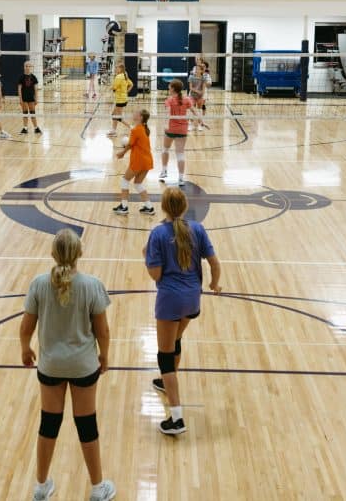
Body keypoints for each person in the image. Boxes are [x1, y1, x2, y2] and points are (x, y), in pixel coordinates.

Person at [20, 230, 116, 501]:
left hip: (50, 367)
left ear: (52, 254)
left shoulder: (39, 284)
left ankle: (41, 487)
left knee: (49, 424)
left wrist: (25, 349)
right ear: (79, 254)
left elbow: (26, 326)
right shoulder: (92, 285)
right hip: (83, 367)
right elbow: (103, 330)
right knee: (87, 425)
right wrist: (105, 355)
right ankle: (98, 489)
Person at [145, 187, 222, 435]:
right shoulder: (197, 229)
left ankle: (176, 418)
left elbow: (155, 274)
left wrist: (147, 257)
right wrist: (214, 283)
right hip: (192, 299)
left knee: (164, 356)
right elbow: (214, 262)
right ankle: (168, 383)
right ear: (185, 206)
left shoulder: (157, 234)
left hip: (170, 299)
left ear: (163, 206)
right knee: (176, 339)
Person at [113, 109, 154, 215]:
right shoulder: (143, 128)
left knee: (125, 181)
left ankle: (124, 207)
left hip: (139, 161)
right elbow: (132, 128)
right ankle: (149, 207)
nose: (133, 113)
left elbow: (130, 144)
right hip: (147, 161)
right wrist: (121, 120)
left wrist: (122, 153)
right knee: (138, 184)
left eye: (136, 113)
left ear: (140, 117)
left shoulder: (137, 130)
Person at [159, 79, 193, 186]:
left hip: (171, 129)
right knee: (180, 154)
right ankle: (181, 178)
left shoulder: (169, 100)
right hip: (182, 130)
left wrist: (165, 124)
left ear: (173, 88)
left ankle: (164, 171)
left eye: (169, 87)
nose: (168, 88)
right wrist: (201, 121)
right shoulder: (187, 99)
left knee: (165, 149)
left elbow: (168, 113)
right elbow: (194, 111)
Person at [107, 62, 133, 137]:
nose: (115, 69)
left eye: (117, 67)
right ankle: (113, 131)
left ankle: (131, 127)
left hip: (120, 100)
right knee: (114, 115)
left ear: (121, 69)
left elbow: (114, 87)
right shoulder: (124, 75)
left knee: (118, 116)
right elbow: (131, 84)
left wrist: (106, 90)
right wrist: (126, 92)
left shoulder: (119, 77)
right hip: (122, 98)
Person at [18, 61, 42, 135]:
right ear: (24, 67)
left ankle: (36, 128)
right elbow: (19, 89)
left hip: (31, 98)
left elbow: (36, 89)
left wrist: (36, 98)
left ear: (31, 67)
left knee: (32, 113)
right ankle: (25, 128)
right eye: (26, 66)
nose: (28, 67)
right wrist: (20, 99)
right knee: (25, 113)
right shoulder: (21, 77)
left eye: (29, 66)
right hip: (24, 98)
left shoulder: (33, 77)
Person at [188, 62, 210, 131]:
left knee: (199, 111)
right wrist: (197, 91)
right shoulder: (191, 77)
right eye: (196, 69)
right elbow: (191, 88)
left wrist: (202, 95)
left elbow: (203, 88)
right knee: (193, 111)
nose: (196, 70)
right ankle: (191, 125)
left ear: (201, 70)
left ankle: (199, 125)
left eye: (198, 69)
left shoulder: (203, 78)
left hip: (200, 96)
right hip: (192, 95)